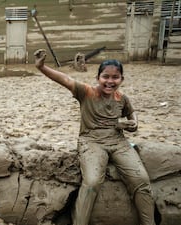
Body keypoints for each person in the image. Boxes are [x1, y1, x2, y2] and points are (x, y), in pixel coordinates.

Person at [34, 49, 156, 225]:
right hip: (91, 142)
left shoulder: (122, 98)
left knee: (142, 179)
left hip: (118, 142)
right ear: (98, 78)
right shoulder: (86, 92)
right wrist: (42, 67)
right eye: (106, 77)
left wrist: (134, 123)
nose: (110, 81)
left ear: (122, 79)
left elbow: (132, 113)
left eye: (115, 77)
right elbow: (65, 79)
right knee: (91, 182)